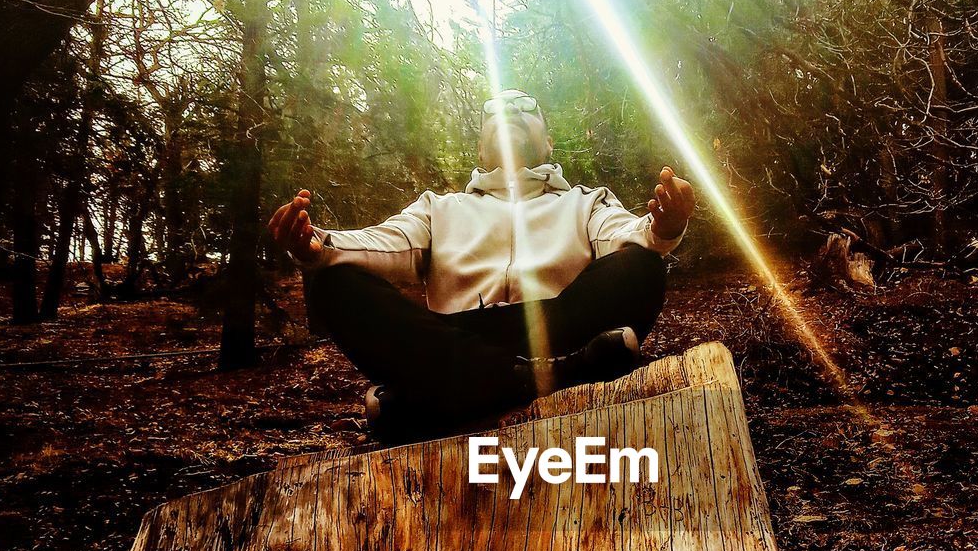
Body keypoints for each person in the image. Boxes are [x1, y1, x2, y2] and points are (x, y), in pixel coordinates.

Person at [268, 89, 696, 443]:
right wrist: (317, 245)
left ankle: (440, 399)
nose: (510, 110)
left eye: (526, 108)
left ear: (548, 143)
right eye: (495, 110)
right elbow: (388, 243)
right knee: (330, 282)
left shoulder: (586, 200)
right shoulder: (439, 208)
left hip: (557, 327)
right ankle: (558, 376)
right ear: (479, 147)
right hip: (455, 337)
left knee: (642, 266)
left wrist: (665, 227)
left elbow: (629, 235)